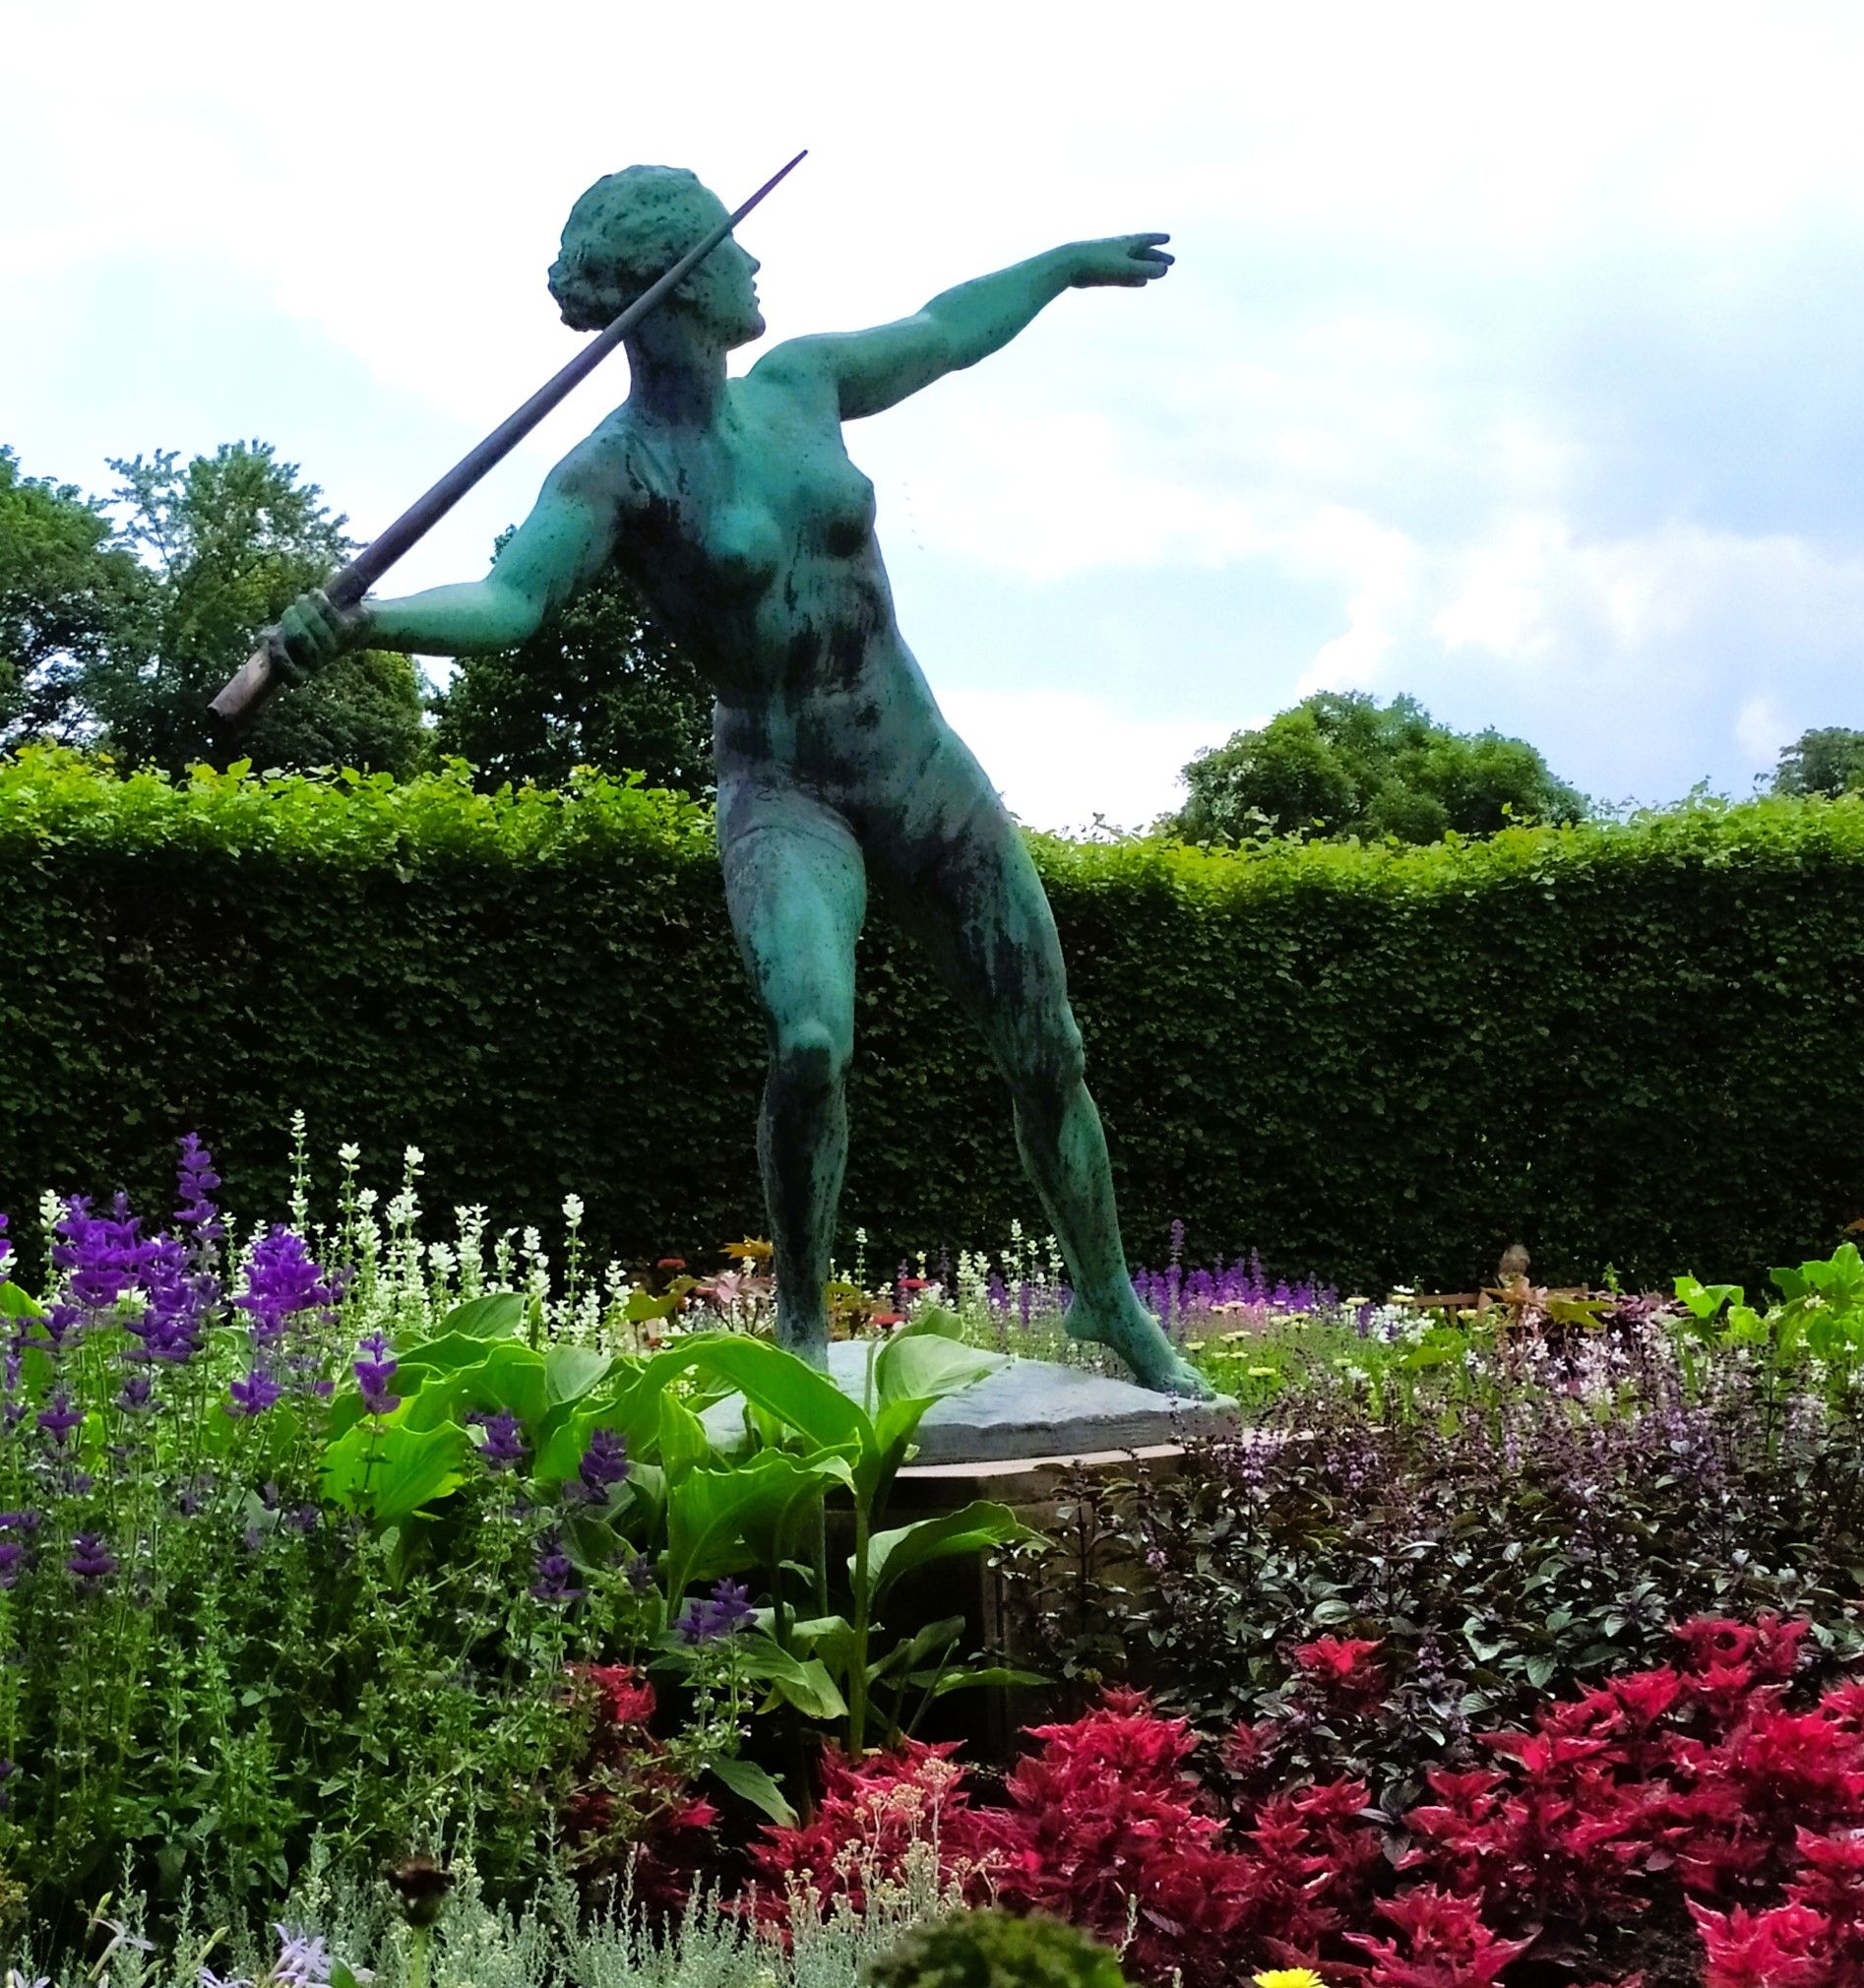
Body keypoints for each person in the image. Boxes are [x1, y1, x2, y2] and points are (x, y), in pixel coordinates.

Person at [272, 163, 1212, 1396]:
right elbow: (512, 601)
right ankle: (805, 1328)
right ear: (678, 284)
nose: (756, 266)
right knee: (811, 1038)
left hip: (919, 766)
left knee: (1048, 1045)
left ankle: (1110, 1299)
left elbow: (945, 331)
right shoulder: (615, 472)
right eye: (732, 247)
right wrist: (364, 623)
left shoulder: (804, 384)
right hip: (787, 790)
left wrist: (1063, 264)